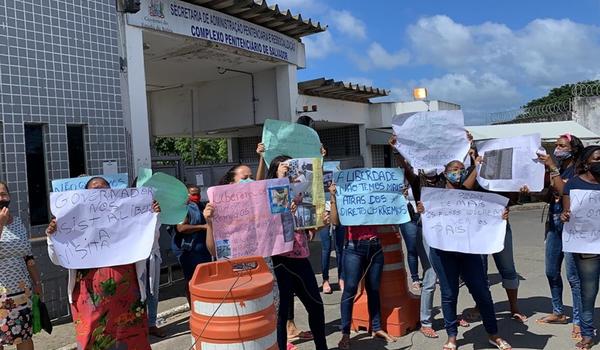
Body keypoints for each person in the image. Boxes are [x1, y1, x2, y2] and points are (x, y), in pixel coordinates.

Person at [46, 176, 160, 349]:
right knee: (94, 343)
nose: (99, 191)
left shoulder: (126, 216)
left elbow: (148, 244)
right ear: (84, 194)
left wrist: (153, 218)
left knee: (132, 340)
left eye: (104, 188)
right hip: (89, 301)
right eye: (94, 188)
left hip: (128, 299)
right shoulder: (73, 222)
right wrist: (52, 237)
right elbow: (57, 259)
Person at [416, 160, 513, 350]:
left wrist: (500, 216)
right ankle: (452, 336)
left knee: (482, 292)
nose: (458, 173)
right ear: (445, 173)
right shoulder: (433, 197)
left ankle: (493, 334)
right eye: (454, 170)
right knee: (449, 293)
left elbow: (488, 215)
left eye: (461, 170)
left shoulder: (472, 195)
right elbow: (426, 218)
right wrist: (422, 211)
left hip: (470, 252)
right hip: (443, 253)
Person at [265, 156, 328, 350]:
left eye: (292, 167)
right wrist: (280, 179)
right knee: (282, 312)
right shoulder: (271, 190)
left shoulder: (300, 193)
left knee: (316, 305)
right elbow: (273, 215)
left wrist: (317, 223)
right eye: (285, 167)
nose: (290, 170)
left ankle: (322, 347)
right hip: (281, 260)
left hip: (301, 258)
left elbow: (307, 233)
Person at [329, 183, 398, 349]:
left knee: (374, 289)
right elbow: (335, 221)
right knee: (350, 290)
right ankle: (345, 333)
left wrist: (397, 197)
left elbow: (388, 211)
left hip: (375, 247)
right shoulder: (344, 198)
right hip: (353, 248)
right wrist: (333, 197)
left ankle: (376, 328)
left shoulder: (372, 197)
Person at [537, 133, 584, 340]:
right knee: (551, 271)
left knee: (574, 276)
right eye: (556, 145)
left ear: (573, 148)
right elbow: (549, 193)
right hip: (554, 224)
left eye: (561, 145)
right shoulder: (561, 168)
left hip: (571, 225)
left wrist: (552, 167)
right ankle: (558, 311)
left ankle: (579, 320)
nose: (557, 149)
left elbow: (565, 190)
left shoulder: (580, 170)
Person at [561, 145, 600, 350]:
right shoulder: (574, 184)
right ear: (586, 163)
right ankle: (586, 333)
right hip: (588, 245)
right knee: (589, 290)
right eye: (597, 159)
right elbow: (567, 212)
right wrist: (564, 215)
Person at [0, 181, 41, 350]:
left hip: (21, 292)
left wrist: (37, 282)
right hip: (1, 294)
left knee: (24, 336)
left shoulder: (18, 222)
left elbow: (28, 255)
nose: (1, 198)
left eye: (3, 194)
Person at [172, 184, 215, 302]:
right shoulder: (184, 208)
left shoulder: (201, 206)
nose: (197, 196)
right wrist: (204, 227)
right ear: (187, 195)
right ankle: (194, 306)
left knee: (205, 281)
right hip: (190, 252)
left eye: (198, 194)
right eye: (193, 194)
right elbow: (181, 228)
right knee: (192, 281)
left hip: (204, 251)